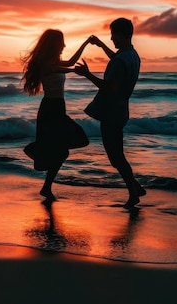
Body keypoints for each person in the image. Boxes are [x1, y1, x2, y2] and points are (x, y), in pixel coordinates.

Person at [74, 18, 146, 207]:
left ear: (122, 34)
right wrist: (100, 45)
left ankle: (134, 193)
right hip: (121, 110)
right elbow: (116, 59)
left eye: (113, 34)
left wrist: (87, 74)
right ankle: (135, 187)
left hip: (111, 112)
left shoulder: (121, 59)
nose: (112, 38)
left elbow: (108, 87)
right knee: (117, 154)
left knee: (116, 157)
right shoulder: (132, 55)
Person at [21, 29, 90, 202]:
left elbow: (72, 62)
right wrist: (75, 71)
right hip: (50, 109)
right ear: (54, 44)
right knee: (61, 151)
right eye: (61, 42)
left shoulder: (54, 61)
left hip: (59, 108)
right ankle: (35, 150)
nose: (64, 45)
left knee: (72, 144)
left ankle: (46, 187)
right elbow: (66, 69)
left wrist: (86, 43)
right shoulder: (45, 64)